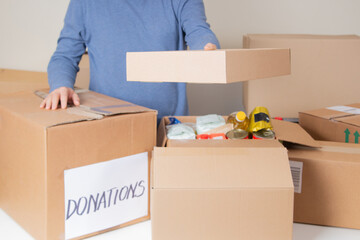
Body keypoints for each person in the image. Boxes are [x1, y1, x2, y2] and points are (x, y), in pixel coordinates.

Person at [40, 0, 220, 122]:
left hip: (169, 128)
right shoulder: (85, 3)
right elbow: (64, 55)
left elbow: (198, 30)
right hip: (109, 125)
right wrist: (60, 85)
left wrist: (207, 47)